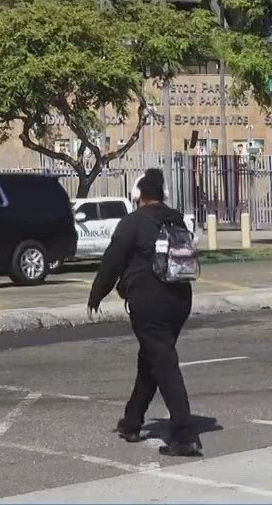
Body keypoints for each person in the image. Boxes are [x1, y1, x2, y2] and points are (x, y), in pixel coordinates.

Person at [88, 167, 200, 457]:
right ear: (161, 195)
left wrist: (97, 294)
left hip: (149, 302)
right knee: (151, 359)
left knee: (163, 363)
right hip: (180, 298)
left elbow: (112, 261)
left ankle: (185, 435)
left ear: (138, 195)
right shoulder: (176, 218)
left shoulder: (133, 222)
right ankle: (132, 421)